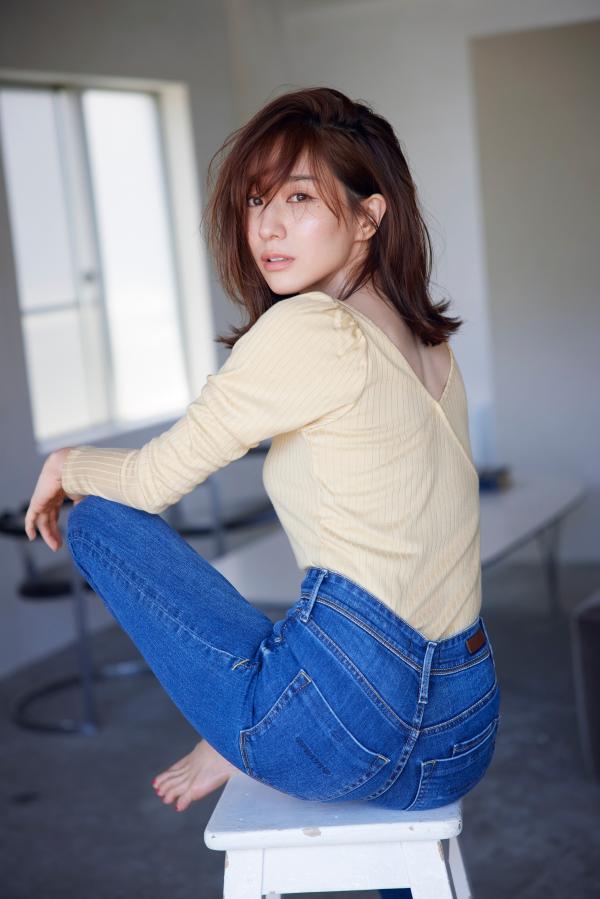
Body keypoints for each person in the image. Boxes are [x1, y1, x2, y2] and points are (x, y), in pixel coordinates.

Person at [24, 87, 500, 849]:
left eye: (299, 198)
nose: (267, 227)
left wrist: (67, 463)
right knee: (324, 630)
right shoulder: (431, 345)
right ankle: (261, 723)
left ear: (369, 217)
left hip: (347, 722)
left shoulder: (309, 326)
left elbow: (151, 482)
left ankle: (249, 731)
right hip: (461, 730)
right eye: (255, 200)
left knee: (99, 519)